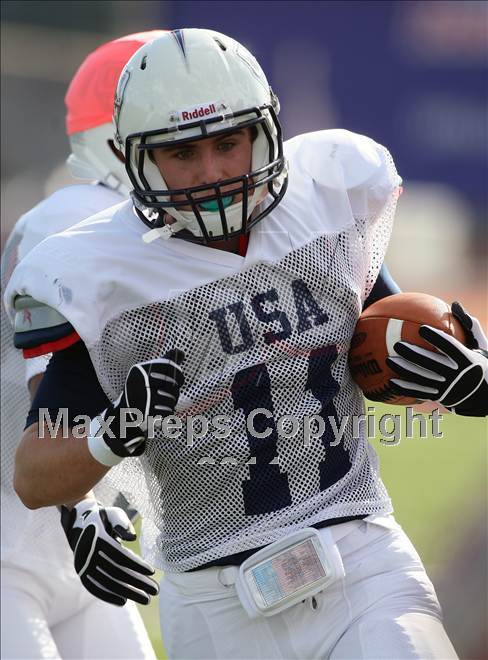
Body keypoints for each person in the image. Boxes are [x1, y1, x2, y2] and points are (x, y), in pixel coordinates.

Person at [5, 29, 487, 659]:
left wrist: (471, 381)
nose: (211, 174)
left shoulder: (326, 206)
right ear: (134, 161)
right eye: (183, 155)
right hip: (213, 602)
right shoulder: (100, 270)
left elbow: (394, 346)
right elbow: (35, 476)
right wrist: (115, 430)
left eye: (228, 144)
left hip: (360, 560)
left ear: (265, 133)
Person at [0, 31, 168, 660]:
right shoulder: (73, 219)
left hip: (79, 532)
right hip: (27, 531)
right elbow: (51, 388)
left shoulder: (155, 241)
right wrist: (81, 507)